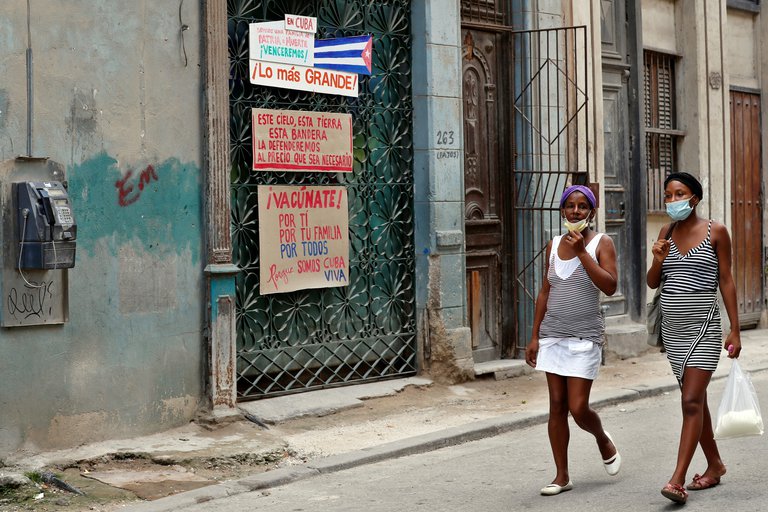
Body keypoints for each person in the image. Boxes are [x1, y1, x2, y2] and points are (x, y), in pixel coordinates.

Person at [646, 171, 741, 505]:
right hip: (672, 334)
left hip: (704, 328)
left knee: (689, 402)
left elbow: (726, 280)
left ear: (695, 198)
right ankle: (714, 464)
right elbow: (652, 282)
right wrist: (658, 259)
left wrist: (735, 328)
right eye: (668, 195)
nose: (672, 201)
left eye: (679, 194)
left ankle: (677, 481)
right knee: (695, 400)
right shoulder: (665, 232)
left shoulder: (716, 231)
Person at [525, 185, 620, 496]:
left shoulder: (601, 243)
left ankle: (601, 438)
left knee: (578, 408)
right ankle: (561, 475)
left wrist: (581, 252)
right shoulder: (552, 245)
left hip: (585, 337)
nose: (575, 211)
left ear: (591, 212)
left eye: (582, 206)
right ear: (562, 210)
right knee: (556, 406)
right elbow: (545, 291)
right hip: (553, 335)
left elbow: (609, 286)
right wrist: (535, 335)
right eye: (570, 206)